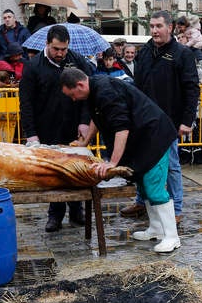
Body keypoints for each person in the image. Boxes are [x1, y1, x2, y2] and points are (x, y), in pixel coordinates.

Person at [59, 68, 181, 253]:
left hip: (155, 137)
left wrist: (112, 163)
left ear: (80, 85)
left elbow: (121, 127)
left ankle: (172, 237)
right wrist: (85, 142)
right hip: (142, 141)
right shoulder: (94, 90)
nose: (73, 99)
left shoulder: (106, 91)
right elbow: (96, 118)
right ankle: (156, 228)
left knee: (154, 188)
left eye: (72, 95)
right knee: (144, 186)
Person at [121, 11, 198, 222]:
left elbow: (192, 89)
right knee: (142, 161)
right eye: (152, 26)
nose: (154, 30)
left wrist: (186, 120)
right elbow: (137, 86)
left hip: (170, 120)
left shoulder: (182, 54)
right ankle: (141, 201)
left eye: (158, 26)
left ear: (170, 27)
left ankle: (177, 209)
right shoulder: (144, 51)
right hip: (144, 120)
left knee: (172, 165)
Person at [19, 24, 94, 232]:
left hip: (74, 126)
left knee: (76, 168)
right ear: (47, 44)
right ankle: (55, 214)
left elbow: (90, 93)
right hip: (47, 128)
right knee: (54, 173)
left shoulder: (77, 61)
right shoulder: (33, 67)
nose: (60, 53)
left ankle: (77, 209)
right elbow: (26, 103)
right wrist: (31, 134)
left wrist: (85, 121)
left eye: (64, 49)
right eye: (56, 49)